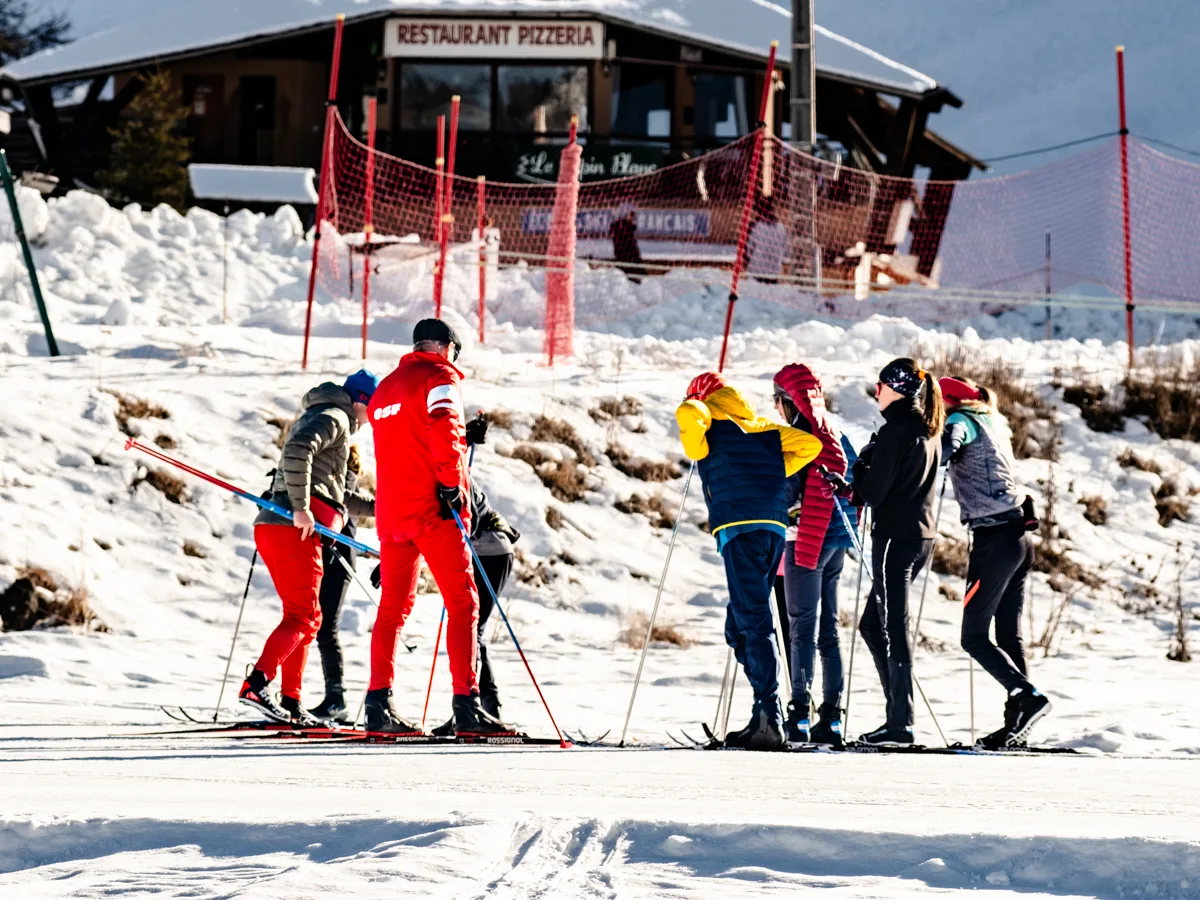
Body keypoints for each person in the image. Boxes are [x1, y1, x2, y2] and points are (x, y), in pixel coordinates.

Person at [365, 318, 510, 735]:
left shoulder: (385, 388)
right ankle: (467, 704)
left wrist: (464, 439)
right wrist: (451, 484)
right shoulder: (440, 375)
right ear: (447, 348)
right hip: (434, 511)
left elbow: (409, 439)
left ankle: (379, 703)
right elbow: (442, 429)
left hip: (394, 514)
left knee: (392, 610)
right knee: (463, 603)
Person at [677, 372, 822, 750]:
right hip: (772, 527)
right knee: (739, 624)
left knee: (755, 621)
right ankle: (763, 709)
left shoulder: (706, 423)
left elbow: (691, 438)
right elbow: (808, 446)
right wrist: (769, 471)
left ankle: (770, 715)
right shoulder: (765, 430)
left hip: (740, 527)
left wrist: (696, 405)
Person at [239, 370, 378, 726]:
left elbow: (339, 496)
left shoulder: (332, 417)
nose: (371, 418)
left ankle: (292, 700)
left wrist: (385, 508)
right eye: (373, 408)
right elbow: (298, 449)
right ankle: (257, 684)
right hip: (292, 527)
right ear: (362, 400)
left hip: (285, 528)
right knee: (304, 617)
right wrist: (301, 508)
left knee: (307, 617)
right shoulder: (335, 416)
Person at [940, 376, 1051, 748]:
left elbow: (943, 451)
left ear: (948, 403)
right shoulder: (992, 422)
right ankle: (1017, 724)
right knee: (1007, 634)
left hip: (994, 541)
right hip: (1018, 537)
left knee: (973, 636)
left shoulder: (960, 422)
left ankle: (1027, 696)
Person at [840, 358, 944, 746]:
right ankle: (896, 716)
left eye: (880, 386)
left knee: (892, 625)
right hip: (921, 537)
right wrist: (856, 483)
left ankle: (900, 723)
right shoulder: (927, 428)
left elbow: (873, 492)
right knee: (873, 624)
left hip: (894, 538)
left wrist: (859, 470)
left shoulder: (895, 430)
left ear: (896, 389)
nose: (876, 393)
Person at [772, 363, 858, 747]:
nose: (775, 408)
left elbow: (786, 494)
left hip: (804, 541)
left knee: (800, 629)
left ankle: (798, 716)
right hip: (837, 541)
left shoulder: (797, 438)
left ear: (788, 401)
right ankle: (832, 716)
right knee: (829, 631)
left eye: (777, 401)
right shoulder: (836, 432)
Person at [431, 475, 522, 736]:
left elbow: (465, 523)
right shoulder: (433, 477)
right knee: (471, 630)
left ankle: (481, 708)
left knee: (472, 630)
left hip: (492, 550)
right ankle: (477, 707)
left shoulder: (453, 476)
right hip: (479, 550)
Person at [307, 445, 369, 724]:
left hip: (338, 559)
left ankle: (337, 698)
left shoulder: (344, 481)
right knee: (319, 625)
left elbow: (337, 506)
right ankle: (333, 697)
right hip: (332, 558)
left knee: (326, 627)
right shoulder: (339, 478)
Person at [610, 201, 643, 280]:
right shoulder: (622, 229)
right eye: (631, 214)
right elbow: (628, 250)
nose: (633, 217)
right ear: (624, 214)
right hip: (628, 267)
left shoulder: (626, 229)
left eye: (634, 215)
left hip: (630, 266)